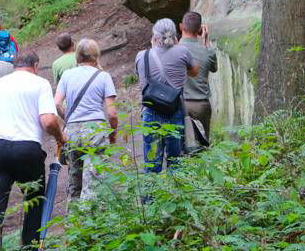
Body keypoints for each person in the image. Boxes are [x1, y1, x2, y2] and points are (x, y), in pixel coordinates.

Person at [0, 50, 66, 251]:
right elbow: (47, 121)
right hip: (27, 149)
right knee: (34, 201)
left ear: (14, 65)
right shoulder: (39, 84)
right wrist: (60, 136)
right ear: (36, 65)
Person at [54, 39, 118, 201]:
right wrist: (113, 134)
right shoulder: (103, 76)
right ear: (96, 55)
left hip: (73, 132)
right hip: (95, 130)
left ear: (77, 56)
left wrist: (68, 119)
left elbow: (56, 103)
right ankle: (90, 222)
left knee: (75, 180)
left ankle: (73, 222)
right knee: (93, 181)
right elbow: (112, 113)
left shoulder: (67, 75)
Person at [134, 18, 199, 173]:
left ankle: (150, 197)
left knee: (152, 162)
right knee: (175, 161)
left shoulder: (142, 56)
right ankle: (175, 196)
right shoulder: (182, 51)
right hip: (174, 111)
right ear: (174, 35)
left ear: (154, 37)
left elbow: (141, 78)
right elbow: (195, 72)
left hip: (150, 112)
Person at [179, 11, 217, 140]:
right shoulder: (208, 51)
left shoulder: (173, 50)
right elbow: (214, 68)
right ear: (200, 29)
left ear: (181, 27)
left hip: (180, 104)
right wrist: (206, 41)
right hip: (202, 105)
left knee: (180, 146)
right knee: (202, 145)